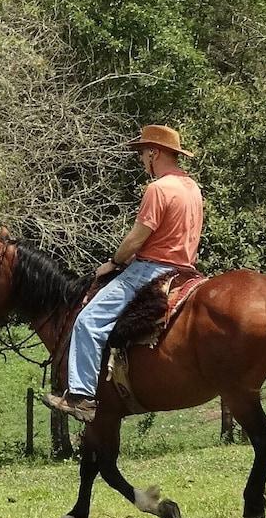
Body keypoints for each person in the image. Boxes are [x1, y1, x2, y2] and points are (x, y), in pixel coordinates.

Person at [43, 124, 204, 424]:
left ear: (155, 153)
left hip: (151, 269)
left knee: (88, 322)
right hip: (186, 269)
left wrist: (115, 262)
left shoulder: (158, 189)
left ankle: (81, 397)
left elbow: (137, 238)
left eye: (143, 153)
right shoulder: (192, 187)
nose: (142, 159)